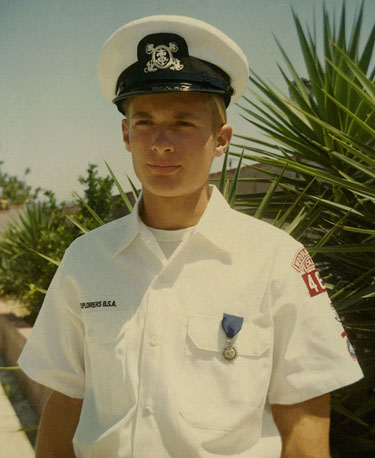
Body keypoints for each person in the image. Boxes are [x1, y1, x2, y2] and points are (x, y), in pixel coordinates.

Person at [18, 15, 363, 458]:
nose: (160, 142)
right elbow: (66, 401)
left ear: (221, 139)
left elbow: (304, 420)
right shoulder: (86, 259)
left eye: (183, 123)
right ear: (126, 134)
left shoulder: (275, 260)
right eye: (144, 122)